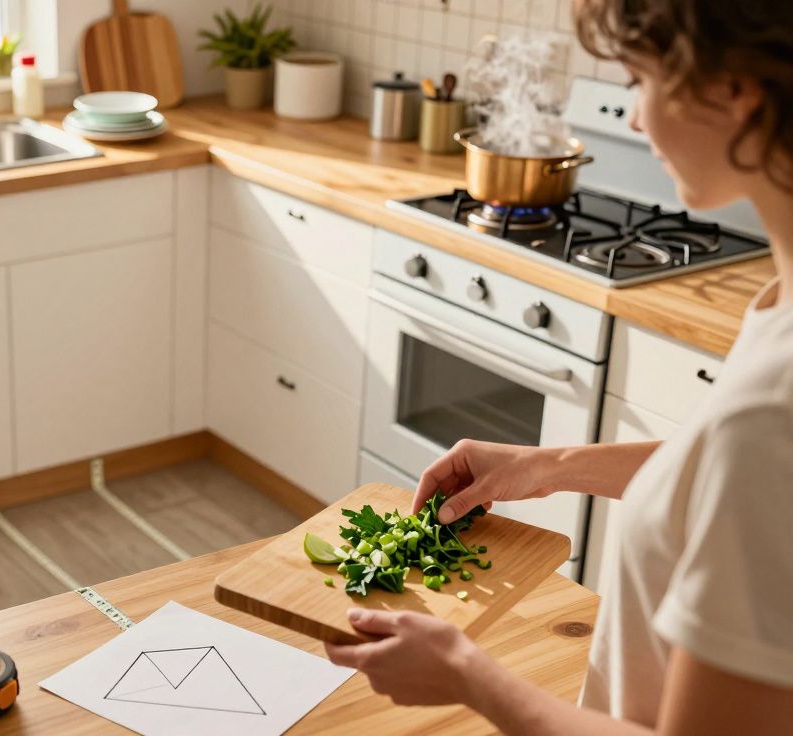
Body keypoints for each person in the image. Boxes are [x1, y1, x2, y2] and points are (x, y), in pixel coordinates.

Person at [323, 1, 793, 732]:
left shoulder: (776, 405)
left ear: (734, 88)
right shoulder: (779, 303)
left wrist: (469, 677)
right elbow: (732, 479)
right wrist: (547, 464)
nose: (632, 120)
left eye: (639, 80)